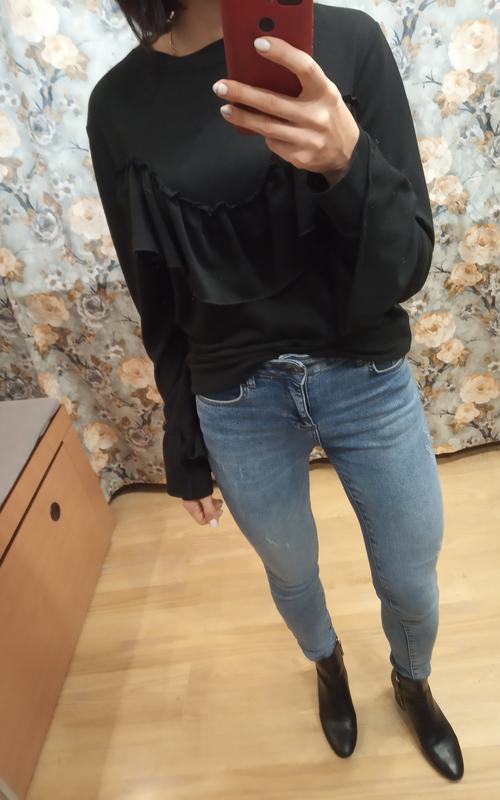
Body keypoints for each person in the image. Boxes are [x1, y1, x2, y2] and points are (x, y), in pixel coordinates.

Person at [86, 0, 464, 779]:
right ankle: (327, 665)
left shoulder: (348, 42)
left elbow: (407, 266)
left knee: (410, 575)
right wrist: (182, 443)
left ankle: (411, 681)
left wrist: (347, 160)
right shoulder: (118, 105)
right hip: (235, 399)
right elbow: (153, 293)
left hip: (365, 375)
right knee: (290, 573)